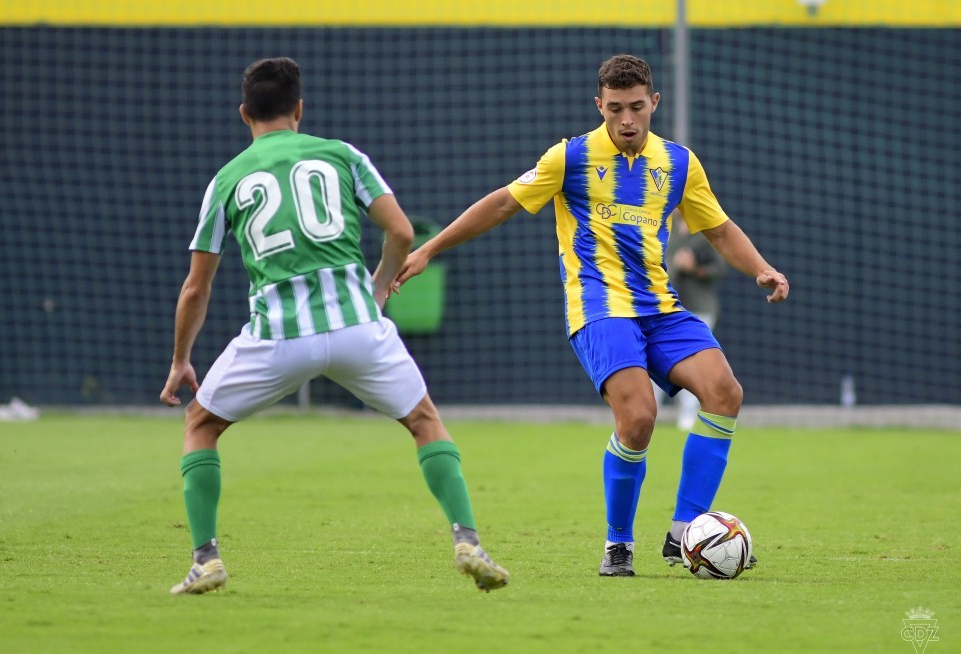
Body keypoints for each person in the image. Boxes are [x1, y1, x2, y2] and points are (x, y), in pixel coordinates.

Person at [393, 54, 789, 577]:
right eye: (616, 109)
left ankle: (684, 536)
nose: (627, 120)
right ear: (599, 106)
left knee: (725, 392)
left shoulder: (679, 163)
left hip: (662, 308)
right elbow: (502, 204)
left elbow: (718, 229)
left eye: (637, 108)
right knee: (640, 418)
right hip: (600, 310)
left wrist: (760, 268)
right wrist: (429, 249)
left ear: (654, 104)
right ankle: (618, 545)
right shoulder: (570, 158)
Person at [159, 57, 509, 595]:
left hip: (278, 334)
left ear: (243, 114)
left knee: (201, 426)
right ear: (300, 109)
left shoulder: (226, 180)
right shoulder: (342, 156)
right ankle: (468, 540)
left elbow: (195, 288)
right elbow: (399, 230)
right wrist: (376, 291)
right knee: (424, 421)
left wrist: (183, 358)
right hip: (358, 330)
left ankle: (206, 559)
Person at [666, 212, 728, 431]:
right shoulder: (663, 227)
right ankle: (647, 413)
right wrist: (676, 266)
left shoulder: (703, 231)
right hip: (668, 307)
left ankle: (687, 416)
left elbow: (719, 268)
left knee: (693, 365)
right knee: (656, 361)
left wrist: (695, 268)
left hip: (699, 308)